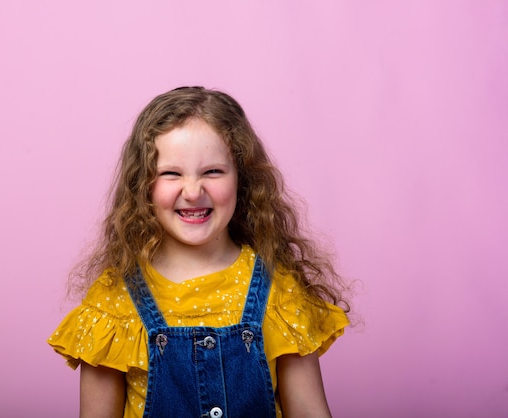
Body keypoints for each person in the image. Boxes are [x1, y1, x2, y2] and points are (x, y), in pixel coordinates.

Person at [48, 86, 351, 418]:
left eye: (213, 172)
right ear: (143, 186)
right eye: (170, 174)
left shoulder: (279, 292)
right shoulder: (113, 302)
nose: (193, 191)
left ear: (242, 179)